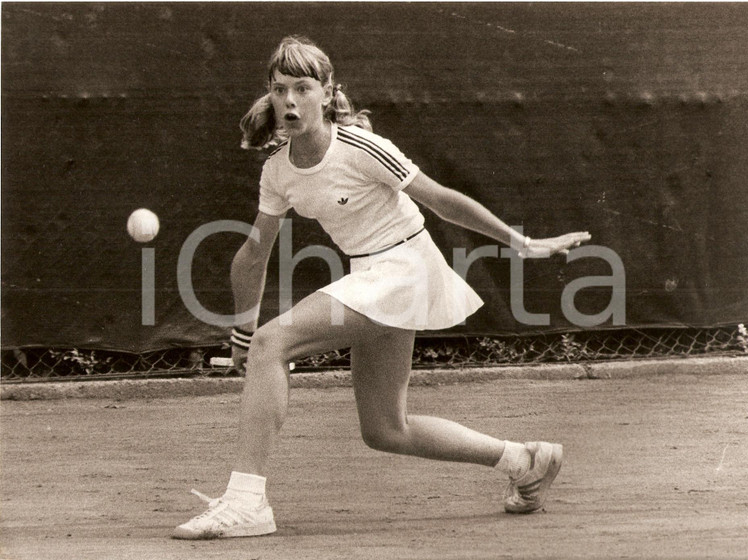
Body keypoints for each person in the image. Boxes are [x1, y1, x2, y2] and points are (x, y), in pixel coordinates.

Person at [173, 36, 591, 540]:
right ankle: (524, 460)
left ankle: (246, 502)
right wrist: (240, 334)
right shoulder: (278, 170)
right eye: (280, 89)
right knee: (387, 430)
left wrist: (520, 242)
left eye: (303, 88)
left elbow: (442, 201)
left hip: (406, 268)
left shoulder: (363, 148)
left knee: (273, 342)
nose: (289, 101)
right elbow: (252, 255)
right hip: (374, 274)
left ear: (327, 94)